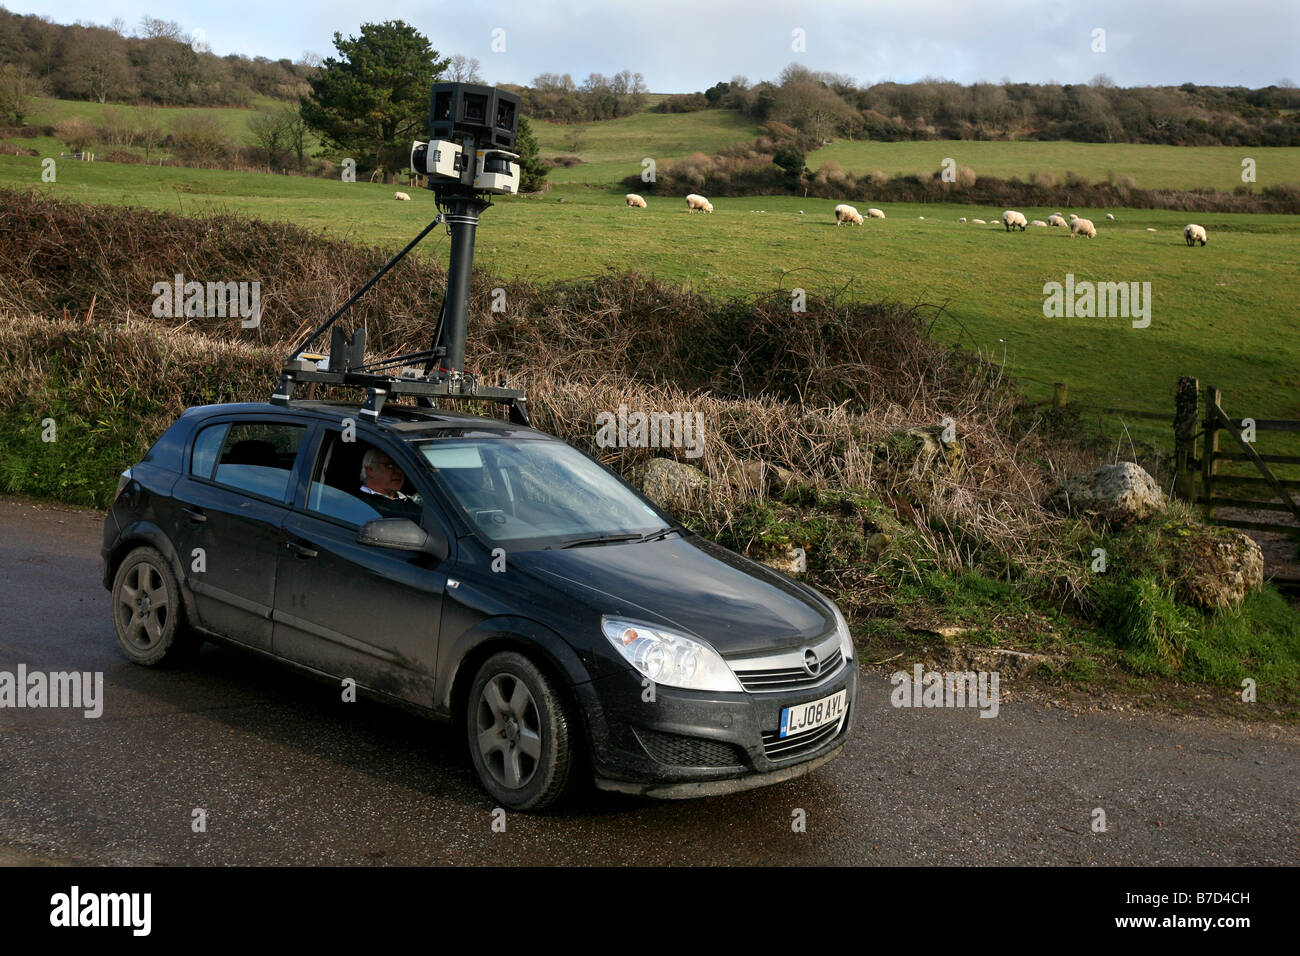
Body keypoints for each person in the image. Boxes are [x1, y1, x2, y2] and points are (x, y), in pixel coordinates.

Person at [358, 448, 421, 518]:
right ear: (370, 470)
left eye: (401, 466)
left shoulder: (409, 503)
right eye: (390, 466)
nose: (399, 471)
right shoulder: (357, 502)